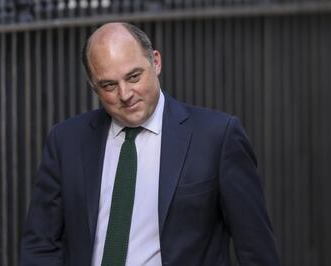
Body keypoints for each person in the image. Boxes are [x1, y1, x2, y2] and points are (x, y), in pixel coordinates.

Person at [20, 22, 281, 266]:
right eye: (109, 85)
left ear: (155, 62)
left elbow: (256, 250)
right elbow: (41, 244)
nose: (125, 94)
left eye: (134, 77)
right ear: (93, 87)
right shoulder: (66, 141)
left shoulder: (217, 137)